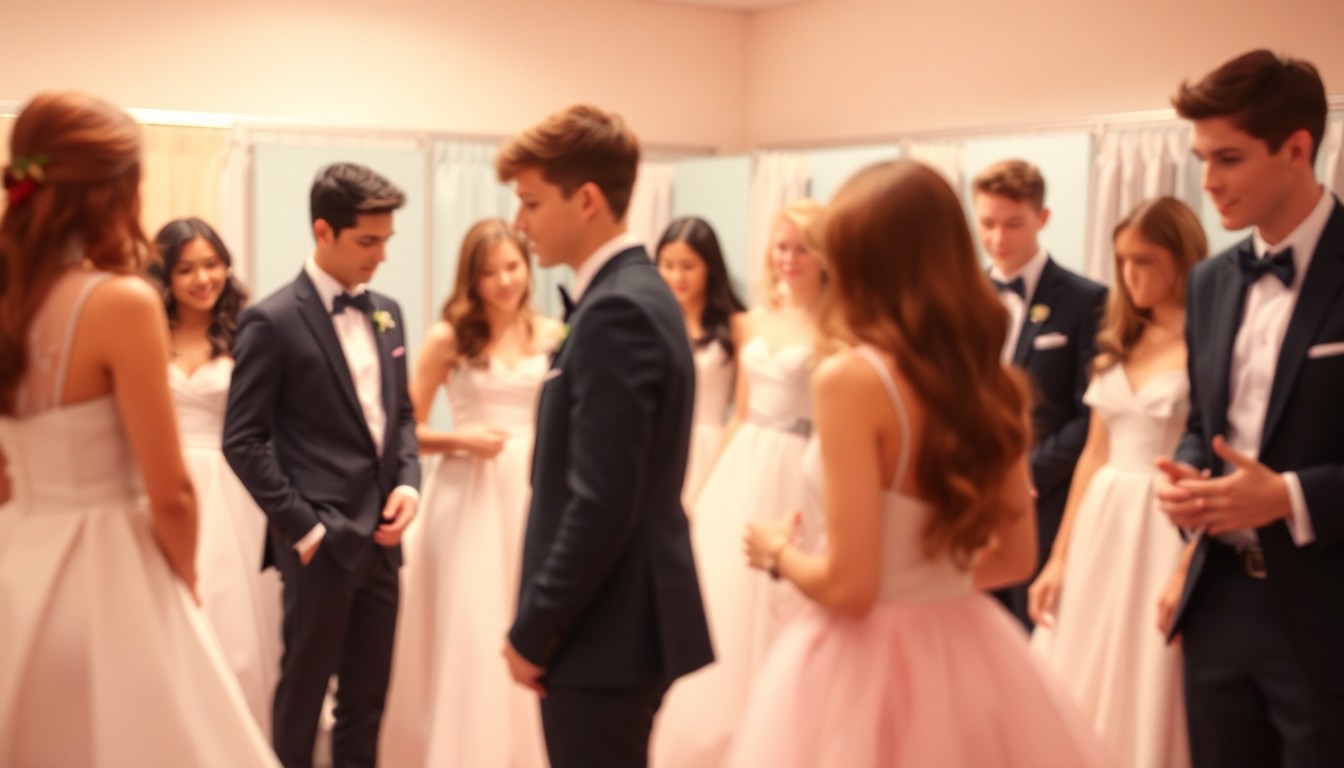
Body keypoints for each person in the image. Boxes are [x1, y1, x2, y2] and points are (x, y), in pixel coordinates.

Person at [727, 158, 1110, 768]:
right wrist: (928, 580)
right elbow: (1013, 557)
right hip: (964, 644)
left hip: (860, 660)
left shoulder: (852, 380)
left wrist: (776, 552)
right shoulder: (994, 384)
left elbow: (851, 588)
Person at [0, 91, 278, 767]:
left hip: (16, 571)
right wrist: (182, 586)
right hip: (112, 571)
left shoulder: (11, 300)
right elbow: (172, 491)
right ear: (117, 191)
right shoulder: (119, 300)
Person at [496, 104, 713, 768]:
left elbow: (601, 501)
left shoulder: (619, 307)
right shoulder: (630, 294)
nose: (519, 222)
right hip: (609, 622)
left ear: (586, 199)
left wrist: (536, 628)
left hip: (605, 627)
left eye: (531, 202)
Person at [1157, 49, 1344, 767]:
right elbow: (1208, 425)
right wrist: (1189, 479)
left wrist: (1289, 496)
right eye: (1201, 158)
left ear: (1297, 148)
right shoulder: (1208, 282)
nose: (1207, 183)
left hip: (1328, 609)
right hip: (1218, 602)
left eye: (1228, 158)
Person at [223, 162, 421, 768]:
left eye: (386, 240)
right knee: (303, 699)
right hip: (319, 543)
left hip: (384, 541)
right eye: (367, 241)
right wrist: (303, 527)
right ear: (322, 231)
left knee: (367, 702)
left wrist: (410, 482)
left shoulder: (388, 310)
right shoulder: (273, 320)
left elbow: (402, 415)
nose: (380, 256)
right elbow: (243, 439)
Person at [1027, 196, 1206, 768]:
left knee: (1148, 667)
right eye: (1123, 260)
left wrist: (1188, 562)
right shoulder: (1119, 343)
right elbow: (1092, 455)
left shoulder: (1208, 346)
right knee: (1079, 657)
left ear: (1182, 259)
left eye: (1145, 261)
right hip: (1102, 519)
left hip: (1163, 522)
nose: (1130, 276)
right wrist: (1058, 556)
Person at [653, 199, 826, 768]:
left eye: (802, 247)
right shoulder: (751, 323)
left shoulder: (839, 322)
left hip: (803, 464)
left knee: (788, 600)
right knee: (722, 593)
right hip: (744, 458)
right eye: (781, 246)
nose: (789, 259)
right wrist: (703, 486)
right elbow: (739, 412)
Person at [380, 218, 559, 767]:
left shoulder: (552, 335)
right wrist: (460, 438)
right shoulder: (448, 337)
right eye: (490, 272)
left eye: (513, 267)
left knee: (523, 612)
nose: (505, 281)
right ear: (471, 278)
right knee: (470, 620)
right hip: (468, 493)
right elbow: (400, 429)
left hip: (532, 489)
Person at [149, 217, 283, 735]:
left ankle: (239, 735)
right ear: (166, 276)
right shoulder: (144, 331)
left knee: (234, 622)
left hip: (232, 491)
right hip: (159, 478)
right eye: (186, 269)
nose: (203, 278)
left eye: (211, 264)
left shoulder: (249, 332)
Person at [973, 159, 1108, 628]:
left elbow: (1091, 412)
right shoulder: (961, 299)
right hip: (971, 501)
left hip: (1046, 500)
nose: (998, 238)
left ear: (1042, 219)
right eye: (987, 223)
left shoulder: (1086, 300)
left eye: (1013, 224)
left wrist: (1026, 473)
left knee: (1035, 644)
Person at [654, 216, 746, 506]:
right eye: (667, 265)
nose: (676, 277)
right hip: (660, 444)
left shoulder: (736, 326)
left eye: (688, 266)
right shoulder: (653, 321)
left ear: (709, 267)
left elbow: (743, 411)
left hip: (715, 446)